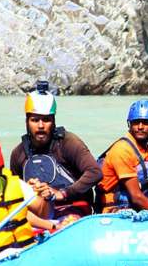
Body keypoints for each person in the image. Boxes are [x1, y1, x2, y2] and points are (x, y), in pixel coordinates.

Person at [8, 86, 101, 217]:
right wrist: (27, 189)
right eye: (35, 120)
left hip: (72, 207)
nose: (41, 126)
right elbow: (13, 191)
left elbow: (95, 172)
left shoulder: (68, 142)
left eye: (46, 120)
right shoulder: (18, 153)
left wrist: (62, 193)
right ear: (27, 122)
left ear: (53, 122)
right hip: (39, 212)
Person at [99, 99, 148, 212]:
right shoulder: (122, 149)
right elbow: (136, 196)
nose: (140, 127)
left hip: (144, 208)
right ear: (130, 124)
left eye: (146, 122)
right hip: (115, 210)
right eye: (136, 122)